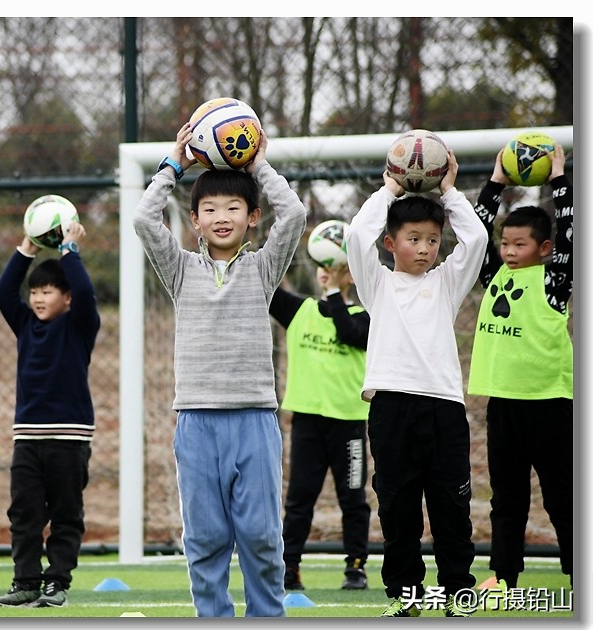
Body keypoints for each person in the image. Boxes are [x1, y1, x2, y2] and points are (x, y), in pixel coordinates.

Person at [133, 123, 307, 618]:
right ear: (194, 221)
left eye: (233, 208)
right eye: (209, 209)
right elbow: (145, 221)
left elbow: (292, 214)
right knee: (206, 537)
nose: (221, 216)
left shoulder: (263, 268)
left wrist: (256, 165)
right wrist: (174, 166)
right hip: (196, 420)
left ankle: (266, 617)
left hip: (254, 420)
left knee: (258, 534)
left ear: (253, 218)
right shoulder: (181, 268)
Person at [345, 151, 488, 618]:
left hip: (444, 408)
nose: (425, 247)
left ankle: (457, 593)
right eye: (413, 239)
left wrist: (448, 190)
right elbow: (355, 235)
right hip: (390, 408)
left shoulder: (447, 283)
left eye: (432, 239)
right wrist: (389, 187)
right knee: (398, 508)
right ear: (391, 243)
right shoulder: (377, 285)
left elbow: (478, 238)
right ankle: (405, 595)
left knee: (451, 506)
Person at [467, 145, 573, 591]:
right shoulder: (493, 275)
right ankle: (503, 575)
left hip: (551, 403)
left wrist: (560, 179)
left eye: (519, 244)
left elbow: (571, 231)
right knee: (506, 499)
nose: (508, 251)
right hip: (504, 404)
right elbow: (474, 229)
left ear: (544, 248)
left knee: (563, 497)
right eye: (505, 244)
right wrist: (496, 181)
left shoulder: (555, 279)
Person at [0, 219, 100, 609]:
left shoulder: (79, 325)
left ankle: (57, 582)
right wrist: (27, 247)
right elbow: (5, 291)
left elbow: (86, 291)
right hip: (28, 438)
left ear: (66, 298)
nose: (37, 298)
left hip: (70, 438)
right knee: (24, 513)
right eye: (34, 291)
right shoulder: (24, 325)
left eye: (47, 291)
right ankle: (26, 582)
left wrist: (70, 250)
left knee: (66, 513)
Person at [270, 261, 371, 592]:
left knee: (353, 499)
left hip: (349, 423)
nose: (328, 272)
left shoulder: (366, 316)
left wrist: (333, 293)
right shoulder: (301, 310)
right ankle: (290, 567)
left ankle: (355, 567)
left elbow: (349, 333)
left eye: (337, 267)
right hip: (308, 422)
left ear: (352, 275)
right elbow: (266, 287)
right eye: (323, 266)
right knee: (300, 498)